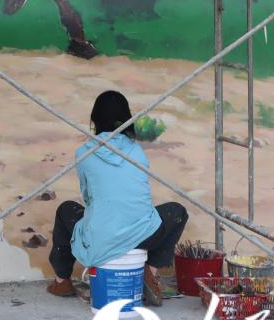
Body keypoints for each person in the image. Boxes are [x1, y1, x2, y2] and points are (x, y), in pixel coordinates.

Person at [47, 90, 188, 306]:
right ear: (127, 118)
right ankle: (150, 271)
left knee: (66, 209)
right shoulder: (136, 150)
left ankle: (62, 280)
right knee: (177, 212)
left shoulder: (83, 153)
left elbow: (88, 198)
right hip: (144, 235)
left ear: (94, 119)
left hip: (101, 238)